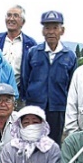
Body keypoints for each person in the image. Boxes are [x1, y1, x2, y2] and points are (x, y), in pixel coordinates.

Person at [23, 10, 77, 145]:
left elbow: (71, 85)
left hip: (58, 108)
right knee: (32, 142)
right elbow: (25, 79)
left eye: (55, 27)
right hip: (35, 107)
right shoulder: (33, 53)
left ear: (62, 30)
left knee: (54, 144)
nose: (51, 32)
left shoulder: (69, 56)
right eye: (47, 28)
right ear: (42, 31)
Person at [0, 5, 37, 108]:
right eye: (9, 15)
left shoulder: (31, 44)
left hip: (19, 95)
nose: (11, 19)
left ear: (23, 22)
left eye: (15, 16)